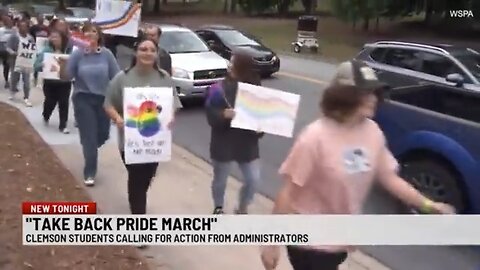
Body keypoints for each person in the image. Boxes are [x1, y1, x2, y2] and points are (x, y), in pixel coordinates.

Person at [260, 59, 455, 270]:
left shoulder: (372, 132)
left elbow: (389, 178)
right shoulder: (315, 137)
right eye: (365, 93)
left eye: (374, 93)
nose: (373, 99)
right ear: (344, 96)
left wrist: (428, 205)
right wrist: (271, 244)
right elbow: (288, 193)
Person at [104, 38, 182, 217]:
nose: (147, 53)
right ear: (135, 52)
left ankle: (137, 202)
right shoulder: (122, 78)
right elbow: (108, 104)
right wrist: (117, 118)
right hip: (130, 141)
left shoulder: (164, 78)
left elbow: (173, 105)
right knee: (137, 180)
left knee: (147, 177)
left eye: (151, 50)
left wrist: (170, 117)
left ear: (156, 54)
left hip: (155, 143)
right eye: (143, 49)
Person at [58, 22, 120, 186]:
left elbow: (117, 77)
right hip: (83, 98)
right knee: (90, 138)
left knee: (103, 134)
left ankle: (89, 145)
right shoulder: (78, 54)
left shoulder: (106, 54)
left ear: (99, 35)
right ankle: (90, 171)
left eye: (94, 32)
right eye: (87, 32)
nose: (91, 34)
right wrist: (62, 67)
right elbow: (66, 76)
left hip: (103, 100)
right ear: (83, 36)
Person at [205, 48, 264, 215]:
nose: (229, 66)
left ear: (244, 66)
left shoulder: (256, 89)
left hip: (247, 143)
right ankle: (218, 207)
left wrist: (261, 128)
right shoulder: (217, 89)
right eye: (229, 62)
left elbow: (262, 115)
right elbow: (210, 114)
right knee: (220, 179)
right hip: (223, 141)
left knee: (253, 179)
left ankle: (243, 206)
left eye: (233, 62)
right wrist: (223, 114)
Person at [34, 30, 73, 134]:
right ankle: (46, 115)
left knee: (64, 103)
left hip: (64, 82)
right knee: (50, 101)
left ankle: (63, 125)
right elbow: (36, 66)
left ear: (62, 39)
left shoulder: (69, 51)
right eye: (52, 37)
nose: (54, 39)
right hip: (50, 82)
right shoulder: (46, 50)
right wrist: (41, 65)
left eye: (57, 37)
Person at [6, 19, 34, 106]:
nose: (23, 28)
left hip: (26, 62)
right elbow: (8, 47)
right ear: (19, 27)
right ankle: (12, 91)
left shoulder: (30, 38)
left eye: (25, 27)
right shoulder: (14, 36)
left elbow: (33, 49)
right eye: (21, 26)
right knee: (14, 78)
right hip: (15, 61)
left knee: (26, 81)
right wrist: (13, 53)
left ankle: (26, 97)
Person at [30, 15, 49, 86]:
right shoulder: (33, 28)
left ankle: (44, 79)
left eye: (42, 19)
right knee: (36, 63)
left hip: (44, 47)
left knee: (44, 63)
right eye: (39, 19)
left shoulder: (47, 28)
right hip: (36, 47)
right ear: (37, 19)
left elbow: (49, 36)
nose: (40, 20)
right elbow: (30, 36)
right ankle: (35, 78)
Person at [0, 15, 15, 88]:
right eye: (8, 21)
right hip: (2, 49)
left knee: (7, 66)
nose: (10, 23)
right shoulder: (1, 30)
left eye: (10, 21)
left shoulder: (14, 30)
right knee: (5, 65)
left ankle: (7, 81)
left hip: (10, 50)